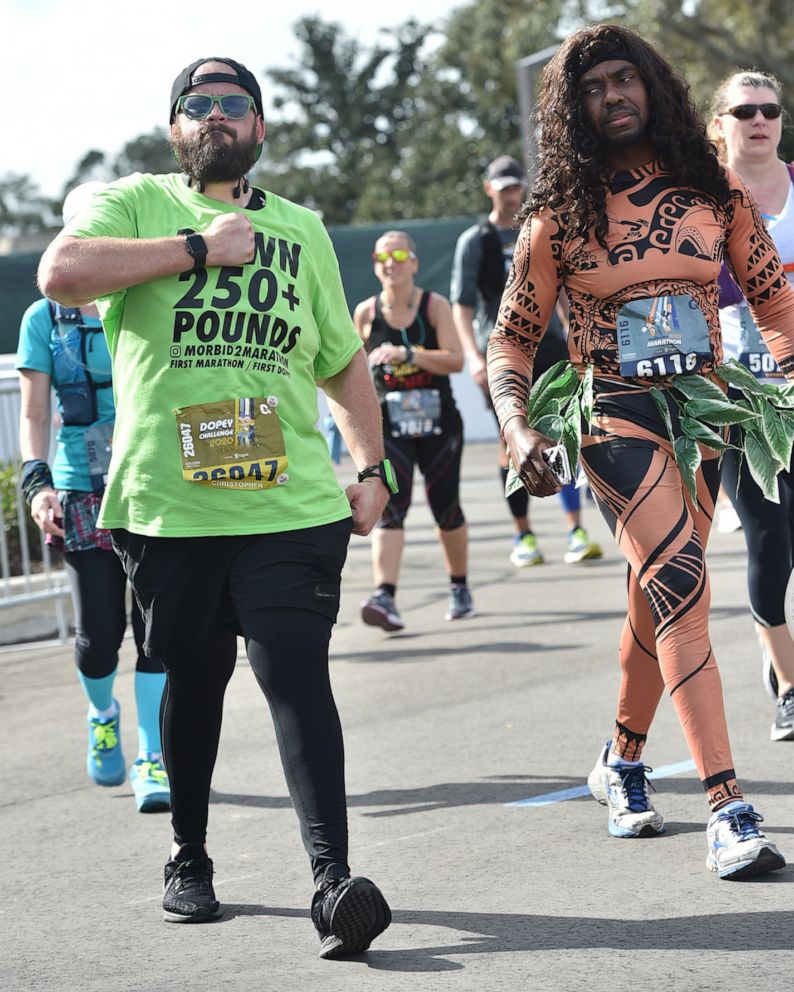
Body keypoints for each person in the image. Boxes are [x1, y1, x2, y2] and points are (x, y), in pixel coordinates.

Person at [37, 57, 391, 955]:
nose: (217, 117)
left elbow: (342, 358)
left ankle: (332, 881)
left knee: (296, 677)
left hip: (291, 506)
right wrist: (198, 248)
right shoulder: (133, 205)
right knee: (195, 685)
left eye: (237, 106)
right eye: (199, 106)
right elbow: (61, 272)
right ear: (175, 129)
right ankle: (188, 856)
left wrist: (372, 466)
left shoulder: (304, 230)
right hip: (169, 509)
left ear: (262, 129)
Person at [487, 24, 794, 879]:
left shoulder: (718, 194)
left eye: (626, 79)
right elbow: (510, 343)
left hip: (701, 414)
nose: (613, 95)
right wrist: (517, 427)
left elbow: (775, 305)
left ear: (654, 88)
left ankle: (622, 759)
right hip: (609, 413)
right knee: (683, 583)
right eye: (593, 88)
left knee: (656, 587)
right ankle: (728, 808)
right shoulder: (556, 221)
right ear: (574, 112)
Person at [17, 182, 170, 815]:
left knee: (157, 631)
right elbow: (33, 413)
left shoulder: (144, 298)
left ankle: (152, 755)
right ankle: (102, 712)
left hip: (147, 481)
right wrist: (37, 481)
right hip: (80, 488)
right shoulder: (41, 320)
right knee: (99, 634)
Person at [450, 155, 602, 567]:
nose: (511, 194)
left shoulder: (540, 227)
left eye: (516, 186)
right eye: (503, 188)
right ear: (489, 189)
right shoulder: (476, 240)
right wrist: (472, 357)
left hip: (549, 345)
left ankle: (575, 529)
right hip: (500, 349)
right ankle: (524, 536)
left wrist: (578, 337)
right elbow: (462, 306)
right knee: (511, 440)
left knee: (560, 434)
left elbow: (568, 291)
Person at [710, 69, 794, 741]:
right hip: (741, 403)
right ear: (720, 125)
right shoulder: (698, 202)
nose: (760, 119)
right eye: (745, 110)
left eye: (770, 109)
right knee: (770, 541)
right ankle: (789, 685)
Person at [354, 230, 473, 631]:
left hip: (439, 427)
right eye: (383, 256)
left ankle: (459, 587)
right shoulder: (366, 313)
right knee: (391, 509)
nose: (392, 263)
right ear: (375, 264)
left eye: (401, 254)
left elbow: (455, 360)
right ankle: (384, 596)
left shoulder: (434, 305)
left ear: (415, 263)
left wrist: (409, 354)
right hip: (392, 429)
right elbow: (352, 371)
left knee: (446, 506)